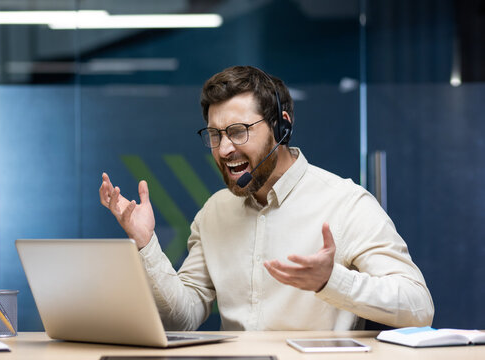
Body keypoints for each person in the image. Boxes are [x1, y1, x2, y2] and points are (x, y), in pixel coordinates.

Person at [99, 65, 434, 331]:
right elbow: (182, 318)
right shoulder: (215, 212)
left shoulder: (346, 203)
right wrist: (146, 243)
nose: (225, 148)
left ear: (282, 127)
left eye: (238, 131)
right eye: (215, 134)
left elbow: (419, 307)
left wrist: (332, 281)